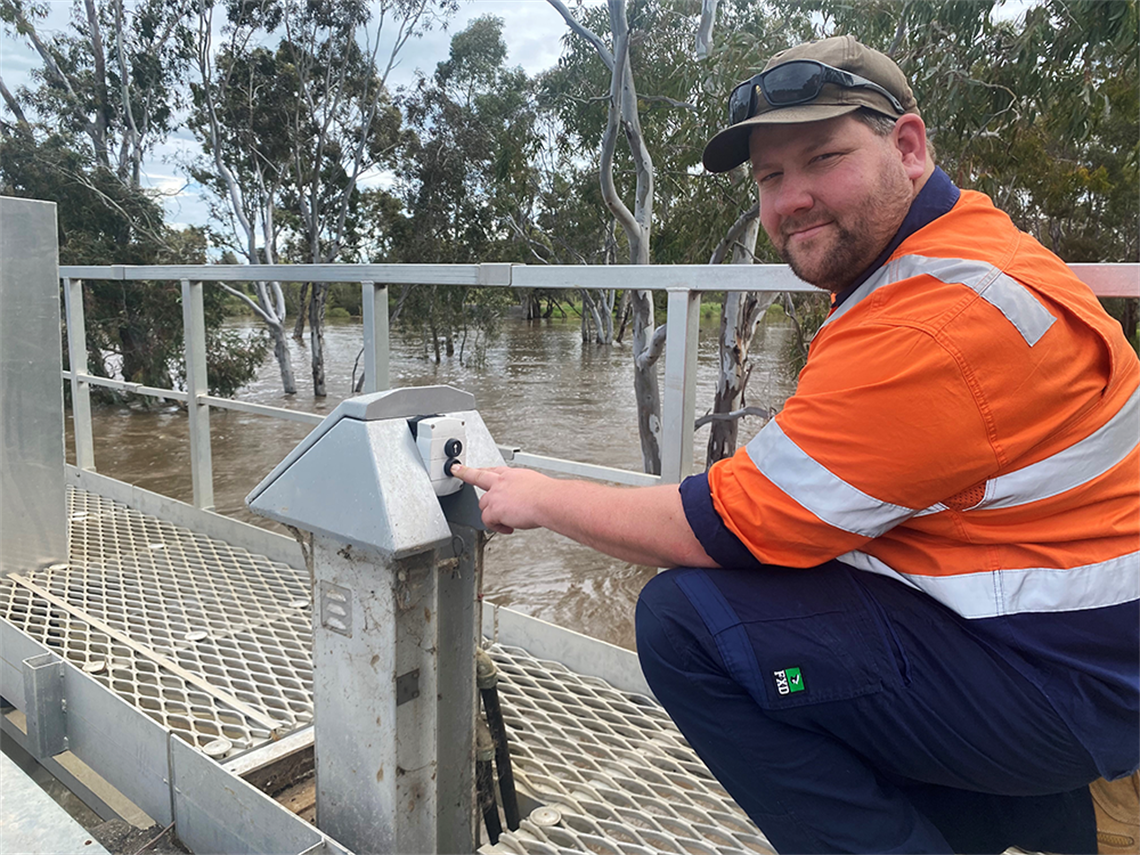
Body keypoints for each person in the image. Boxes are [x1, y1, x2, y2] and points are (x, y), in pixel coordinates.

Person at [455, 34, 1140, 855]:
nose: (793, 198)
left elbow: (725, 525)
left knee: (689, 626)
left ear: (909, 146)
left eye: (824, 157)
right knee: (813, 618)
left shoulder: (935, 322)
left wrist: (535, 494)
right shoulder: (968, 244)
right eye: (772, 177)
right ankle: (1049, 825)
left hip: (1066, 686)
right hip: (1086, 651)